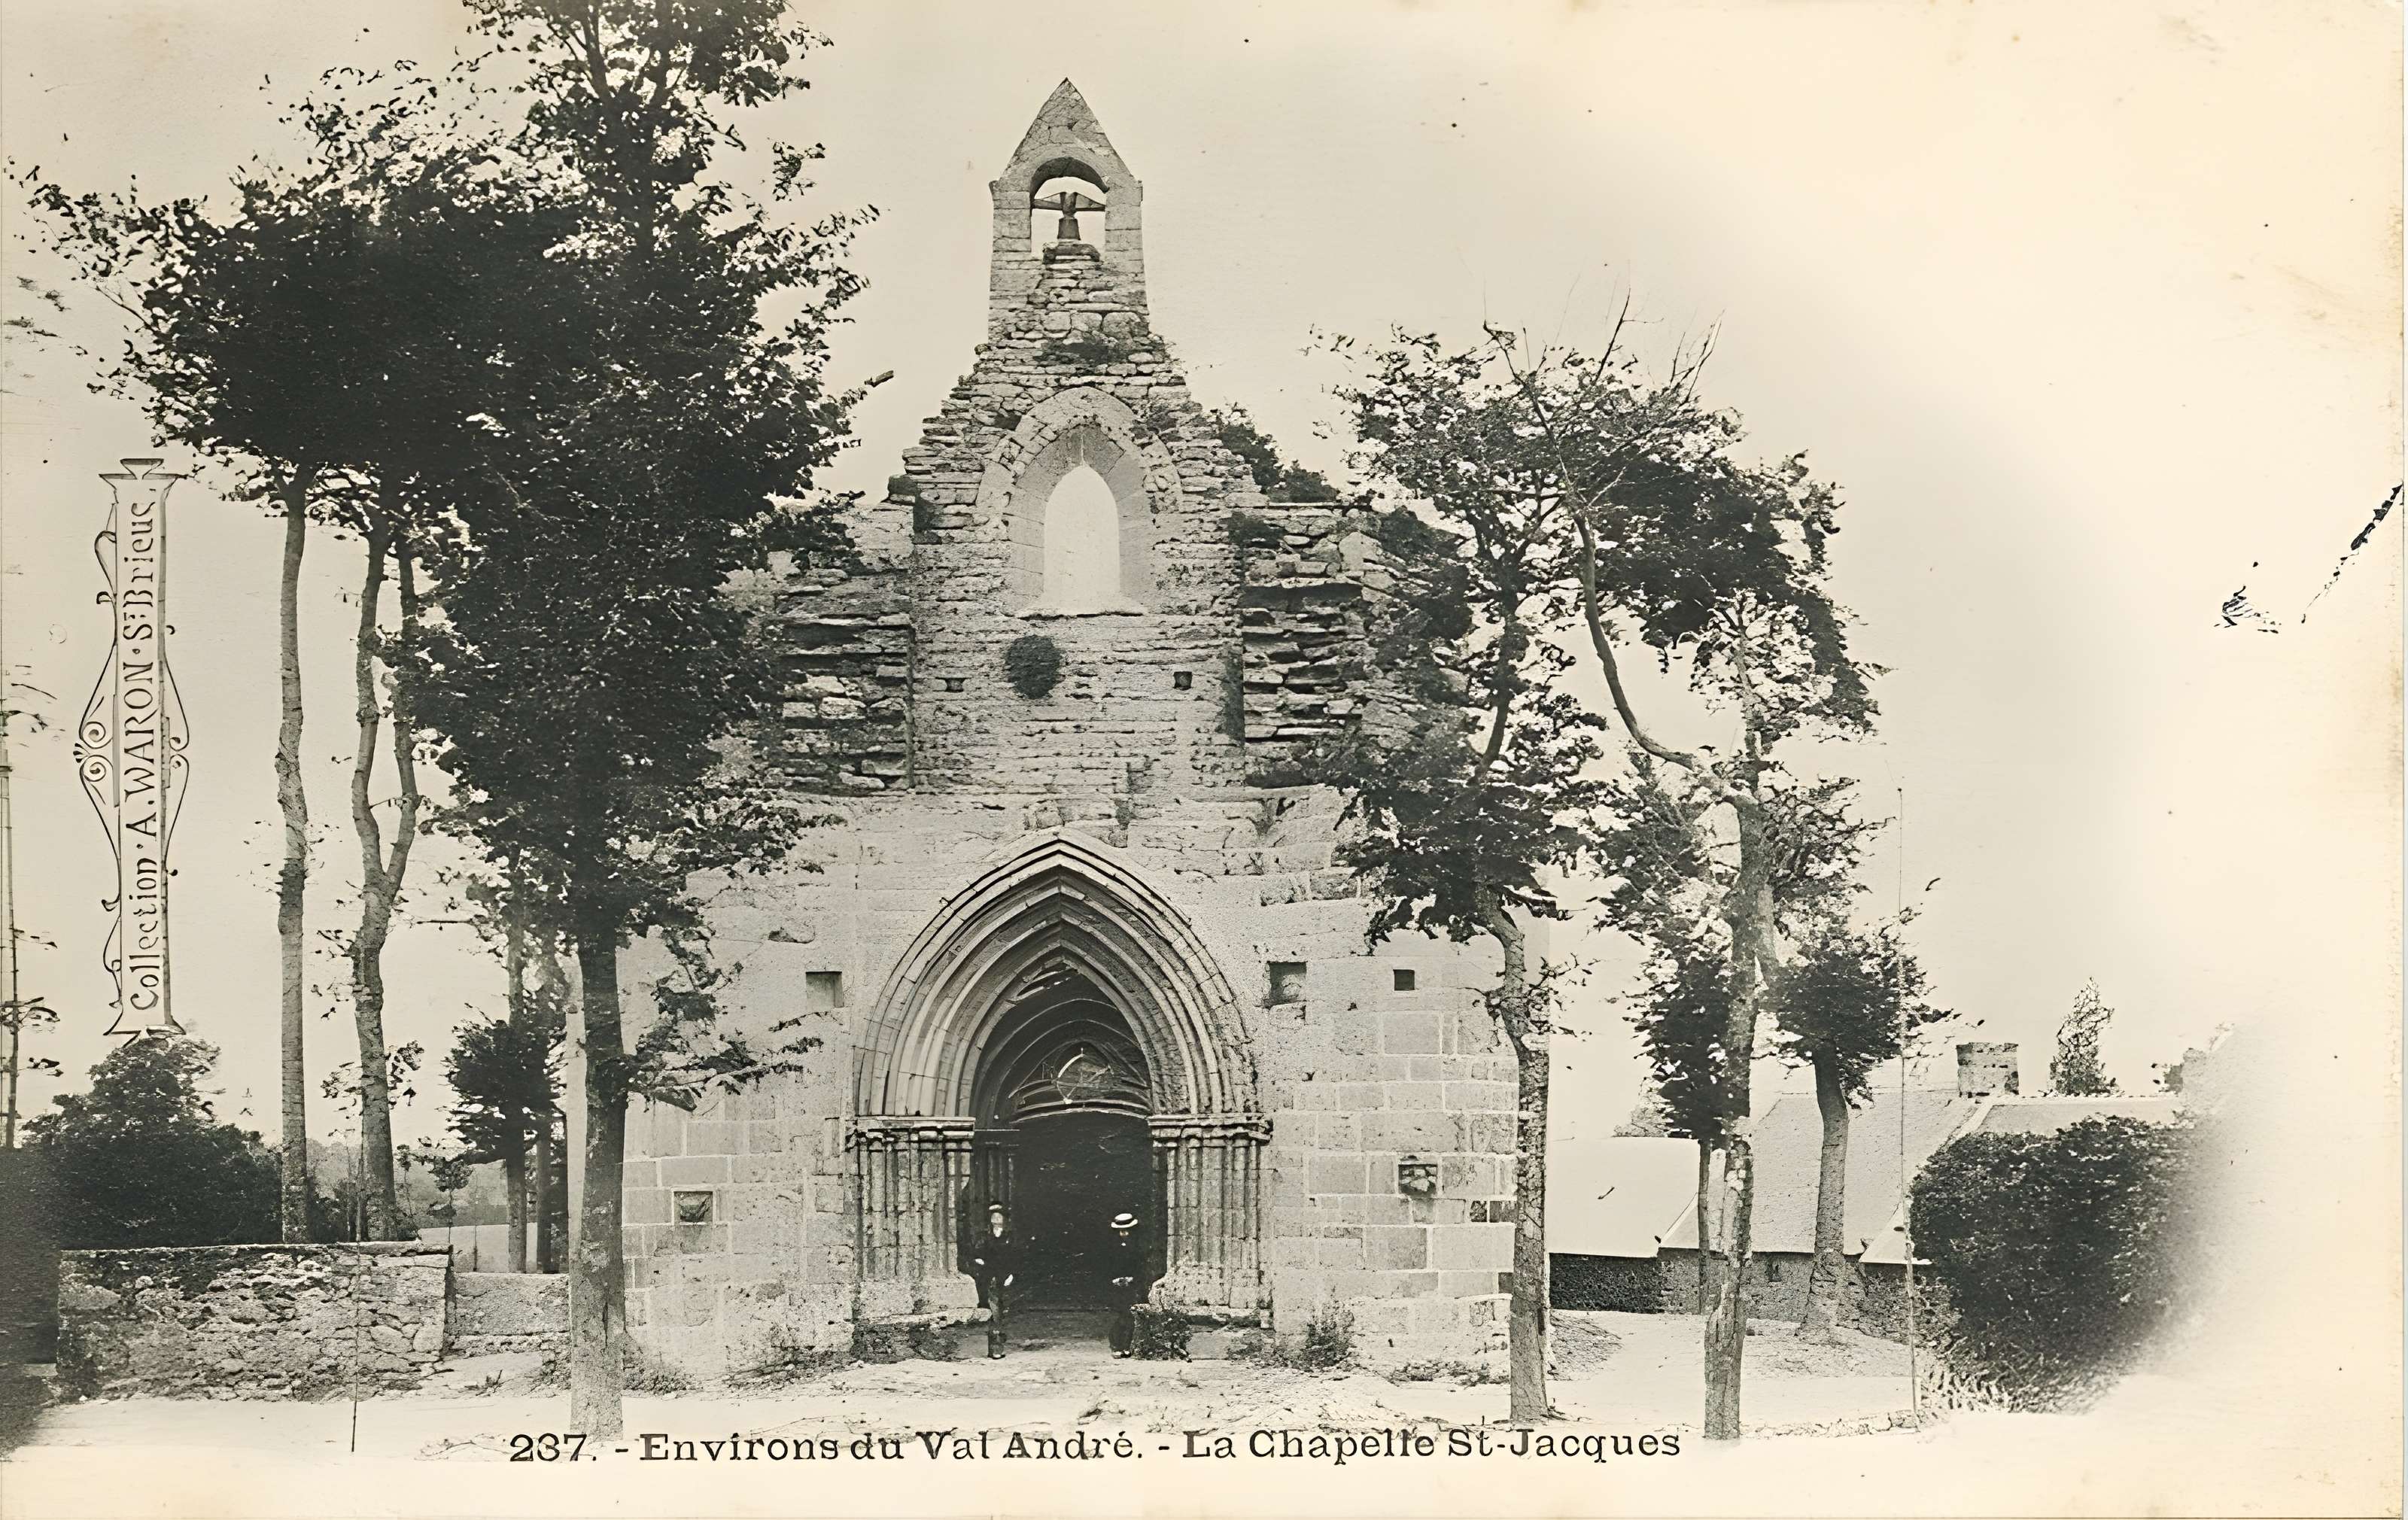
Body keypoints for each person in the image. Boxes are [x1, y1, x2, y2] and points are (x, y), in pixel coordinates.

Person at [968, 1202, 1019, 1359]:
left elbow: (1016, 1257)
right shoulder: (984, 1236)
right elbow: (975, 1253)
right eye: (993, 1216)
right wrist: (979, 1261)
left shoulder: (1011, 1237)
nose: (996, 1219)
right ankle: (996, 1349)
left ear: (1005, 1219)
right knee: (995, 1312)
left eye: (999, 1216)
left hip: (1006, 1277)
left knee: (1003, 1311)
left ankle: (999, 1340)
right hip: (990, 1277)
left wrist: (1012, 1274)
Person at [1104, 1210, 1145, 1357]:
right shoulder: (1111, 1248)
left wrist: (1132, 1279)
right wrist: (1115, 1279)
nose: (1124, 1234)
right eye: (1121, 1231)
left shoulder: (1138, 1248)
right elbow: (1106, 1266)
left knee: (1130, 1315)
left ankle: (1127, 1345)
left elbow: (1142, 1266)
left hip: (1132, 1285)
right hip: (1116, 1286)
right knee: (1120, 1315)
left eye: (1127, 1231)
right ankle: (1117, 1345)